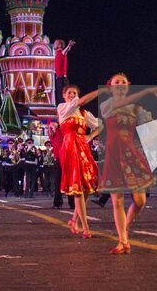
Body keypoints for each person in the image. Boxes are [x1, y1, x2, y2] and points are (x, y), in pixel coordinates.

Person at [98, 74, 157, 254]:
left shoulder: (137, 109)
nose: (120, 85)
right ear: (110, 88)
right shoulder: (107, 105)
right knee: (117, 202)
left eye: (123, 82)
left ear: (128, 86)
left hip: (131, 155)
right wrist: (146, 91)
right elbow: (117, 105)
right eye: (116, 82)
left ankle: (125, 227)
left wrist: (140, 143)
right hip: (113, 156)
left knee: (140, 201)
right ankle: (123, 241)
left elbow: (156, 129)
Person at [56, 83, 103, 237]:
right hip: (70, 149)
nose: (71, 95)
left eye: (74, 93)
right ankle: (86, 227)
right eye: (69, 92)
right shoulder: (63, 108)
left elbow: (101, 125)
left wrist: (90, 136)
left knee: (88, 187)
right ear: (64, 95)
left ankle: (74, 219)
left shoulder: (84, 113)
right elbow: (81, 101)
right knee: (78, 189)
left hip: (83, 149)